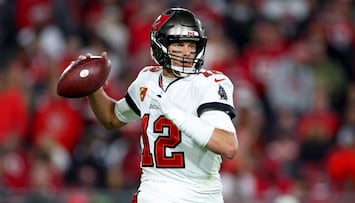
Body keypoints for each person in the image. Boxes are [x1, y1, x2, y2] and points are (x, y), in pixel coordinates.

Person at [80, 7, 238, 203]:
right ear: (160, 44)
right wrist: (94, 88)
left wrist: (176, 114)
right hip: (154, 192)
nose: (187, 52)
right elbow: (112, 118)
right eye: (179, 44)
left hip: (200, 196)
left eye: (192, 44)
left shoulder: (208, 83)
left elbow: (228, 145)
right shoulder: (147, 79)